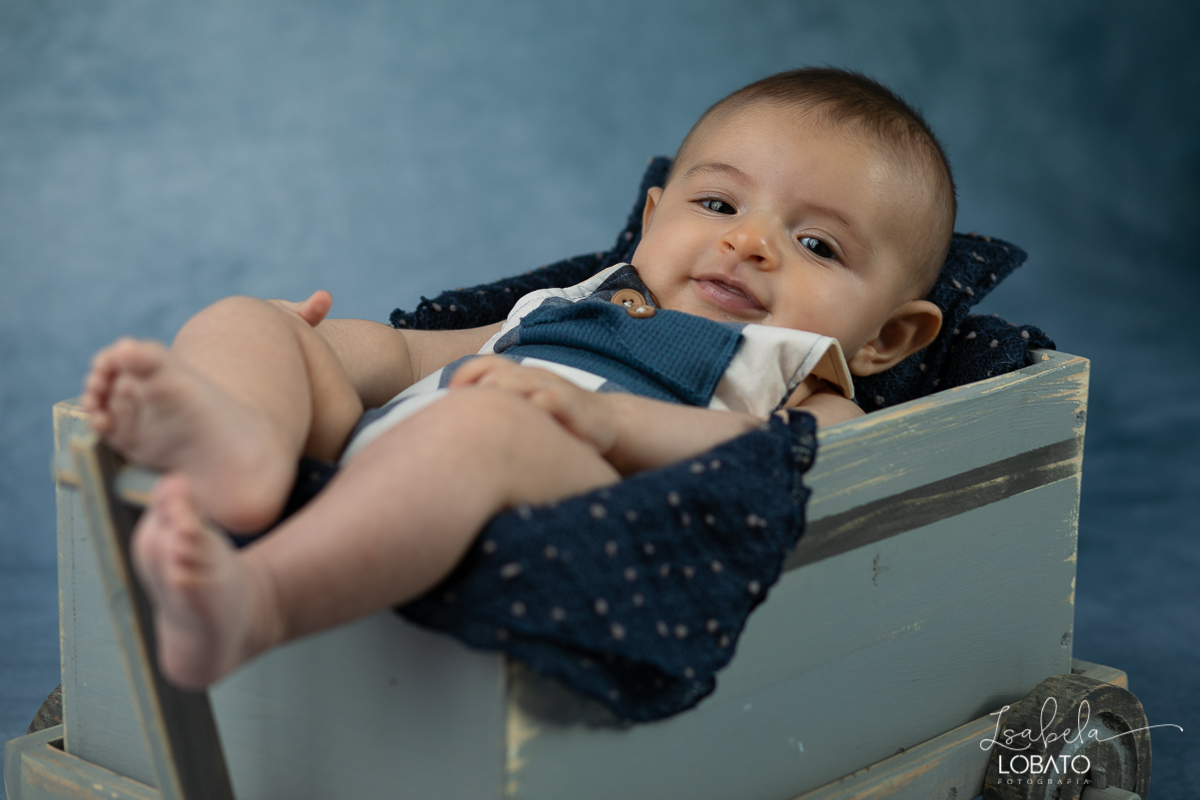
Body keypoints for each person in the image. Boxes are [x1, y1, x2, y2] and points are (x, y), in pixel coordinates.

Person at [80, 67, 955, 691]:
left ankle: (260, 601)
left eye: (816, 244)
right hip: (394, 436)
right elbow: (411, 358)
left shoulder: (804, 383)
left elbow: (773, 467)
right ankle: (246, 444)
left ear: (888, 337)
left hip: (571, 485)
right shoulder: (571, 302)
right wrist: (307, 349)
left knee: (485, 427)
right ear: (650, 221)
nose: (748, 242)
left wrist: (611, 425)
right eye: (718, 204)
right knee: (249, 318)